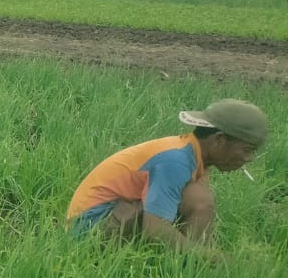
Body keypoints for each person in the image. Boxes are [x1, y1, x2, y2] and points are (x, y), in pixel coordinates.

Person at [66, 99, 267, 251]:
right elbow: (155, 228)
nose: (248, 158)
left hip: (101, 217)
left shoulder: (191, 154)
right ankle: (190, 267)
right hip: (89, 229)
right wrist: (212, 258)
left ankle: (189, 268)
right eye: (247, 150)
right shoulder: (175, 162)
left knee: (197, 196)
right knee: (199, 199)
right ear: (219, 140)